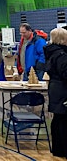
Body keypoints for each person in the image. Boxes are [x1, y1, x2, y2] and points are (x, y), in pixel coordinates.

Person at [43, 27, 67, 158]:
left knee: (58, 119)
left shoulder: (51, 53)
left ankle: (58, 149)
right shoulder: (61, 55)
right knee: (63, 121)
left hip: (55, 89)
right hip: (62, 90)